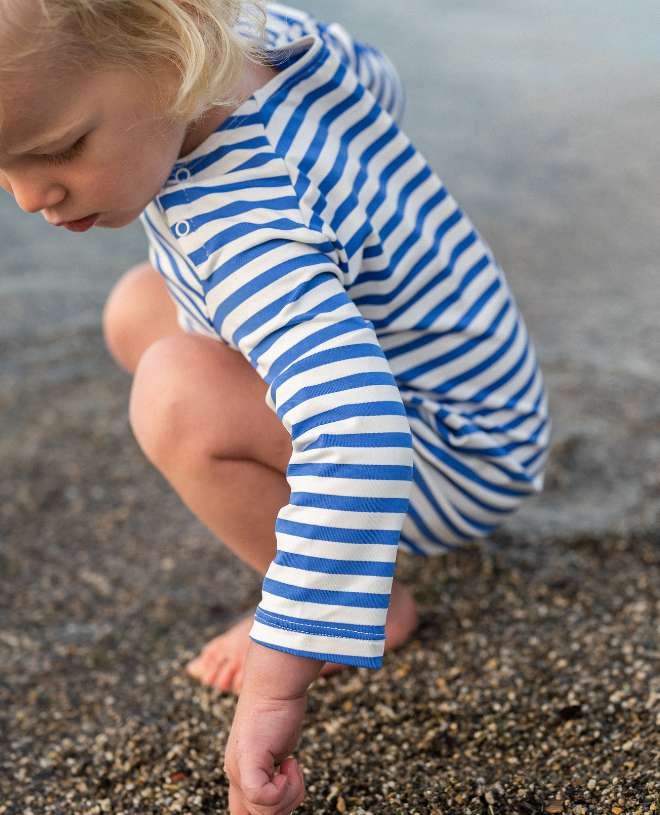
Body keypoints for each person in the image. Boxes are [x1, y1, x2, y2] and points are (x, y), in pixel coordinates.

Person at [0, 1, 550, 811]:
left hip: (451, 455)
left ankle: (372, 604)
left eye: (59, 148)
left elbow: (358, 437)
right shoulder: (257, 34)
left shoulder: (250, 229)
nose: (28, 197)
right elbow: (377, 81)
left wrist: (274, 685)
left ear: (167, 52)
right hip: (479, 391)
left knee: (174, 395)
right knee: (136, 311)